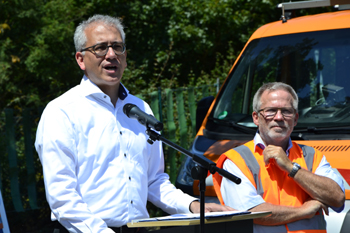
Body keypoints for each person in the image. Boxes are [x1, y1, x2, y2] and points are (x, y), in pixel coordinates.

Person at [35, 14, 233, 233]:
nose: (111, 55)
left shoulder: (140, 109)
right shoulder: (62, 112)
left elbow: (154, 181)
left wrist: (193, 206)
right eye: (100, 48)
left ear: (125, 57)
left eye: (117, 47)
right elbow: (63, 197)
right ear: (81, 59)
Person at [212, 82, 345, 233]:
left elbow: (337, 198)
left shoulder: (312, 156)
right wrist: (303, 211)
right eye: (271, 111)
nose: (279, 117)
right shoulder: (236, 160)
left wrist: (291, 168)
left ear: (295, 119)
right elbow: (250, 212)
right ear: (256, 118)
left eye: (286, 111)